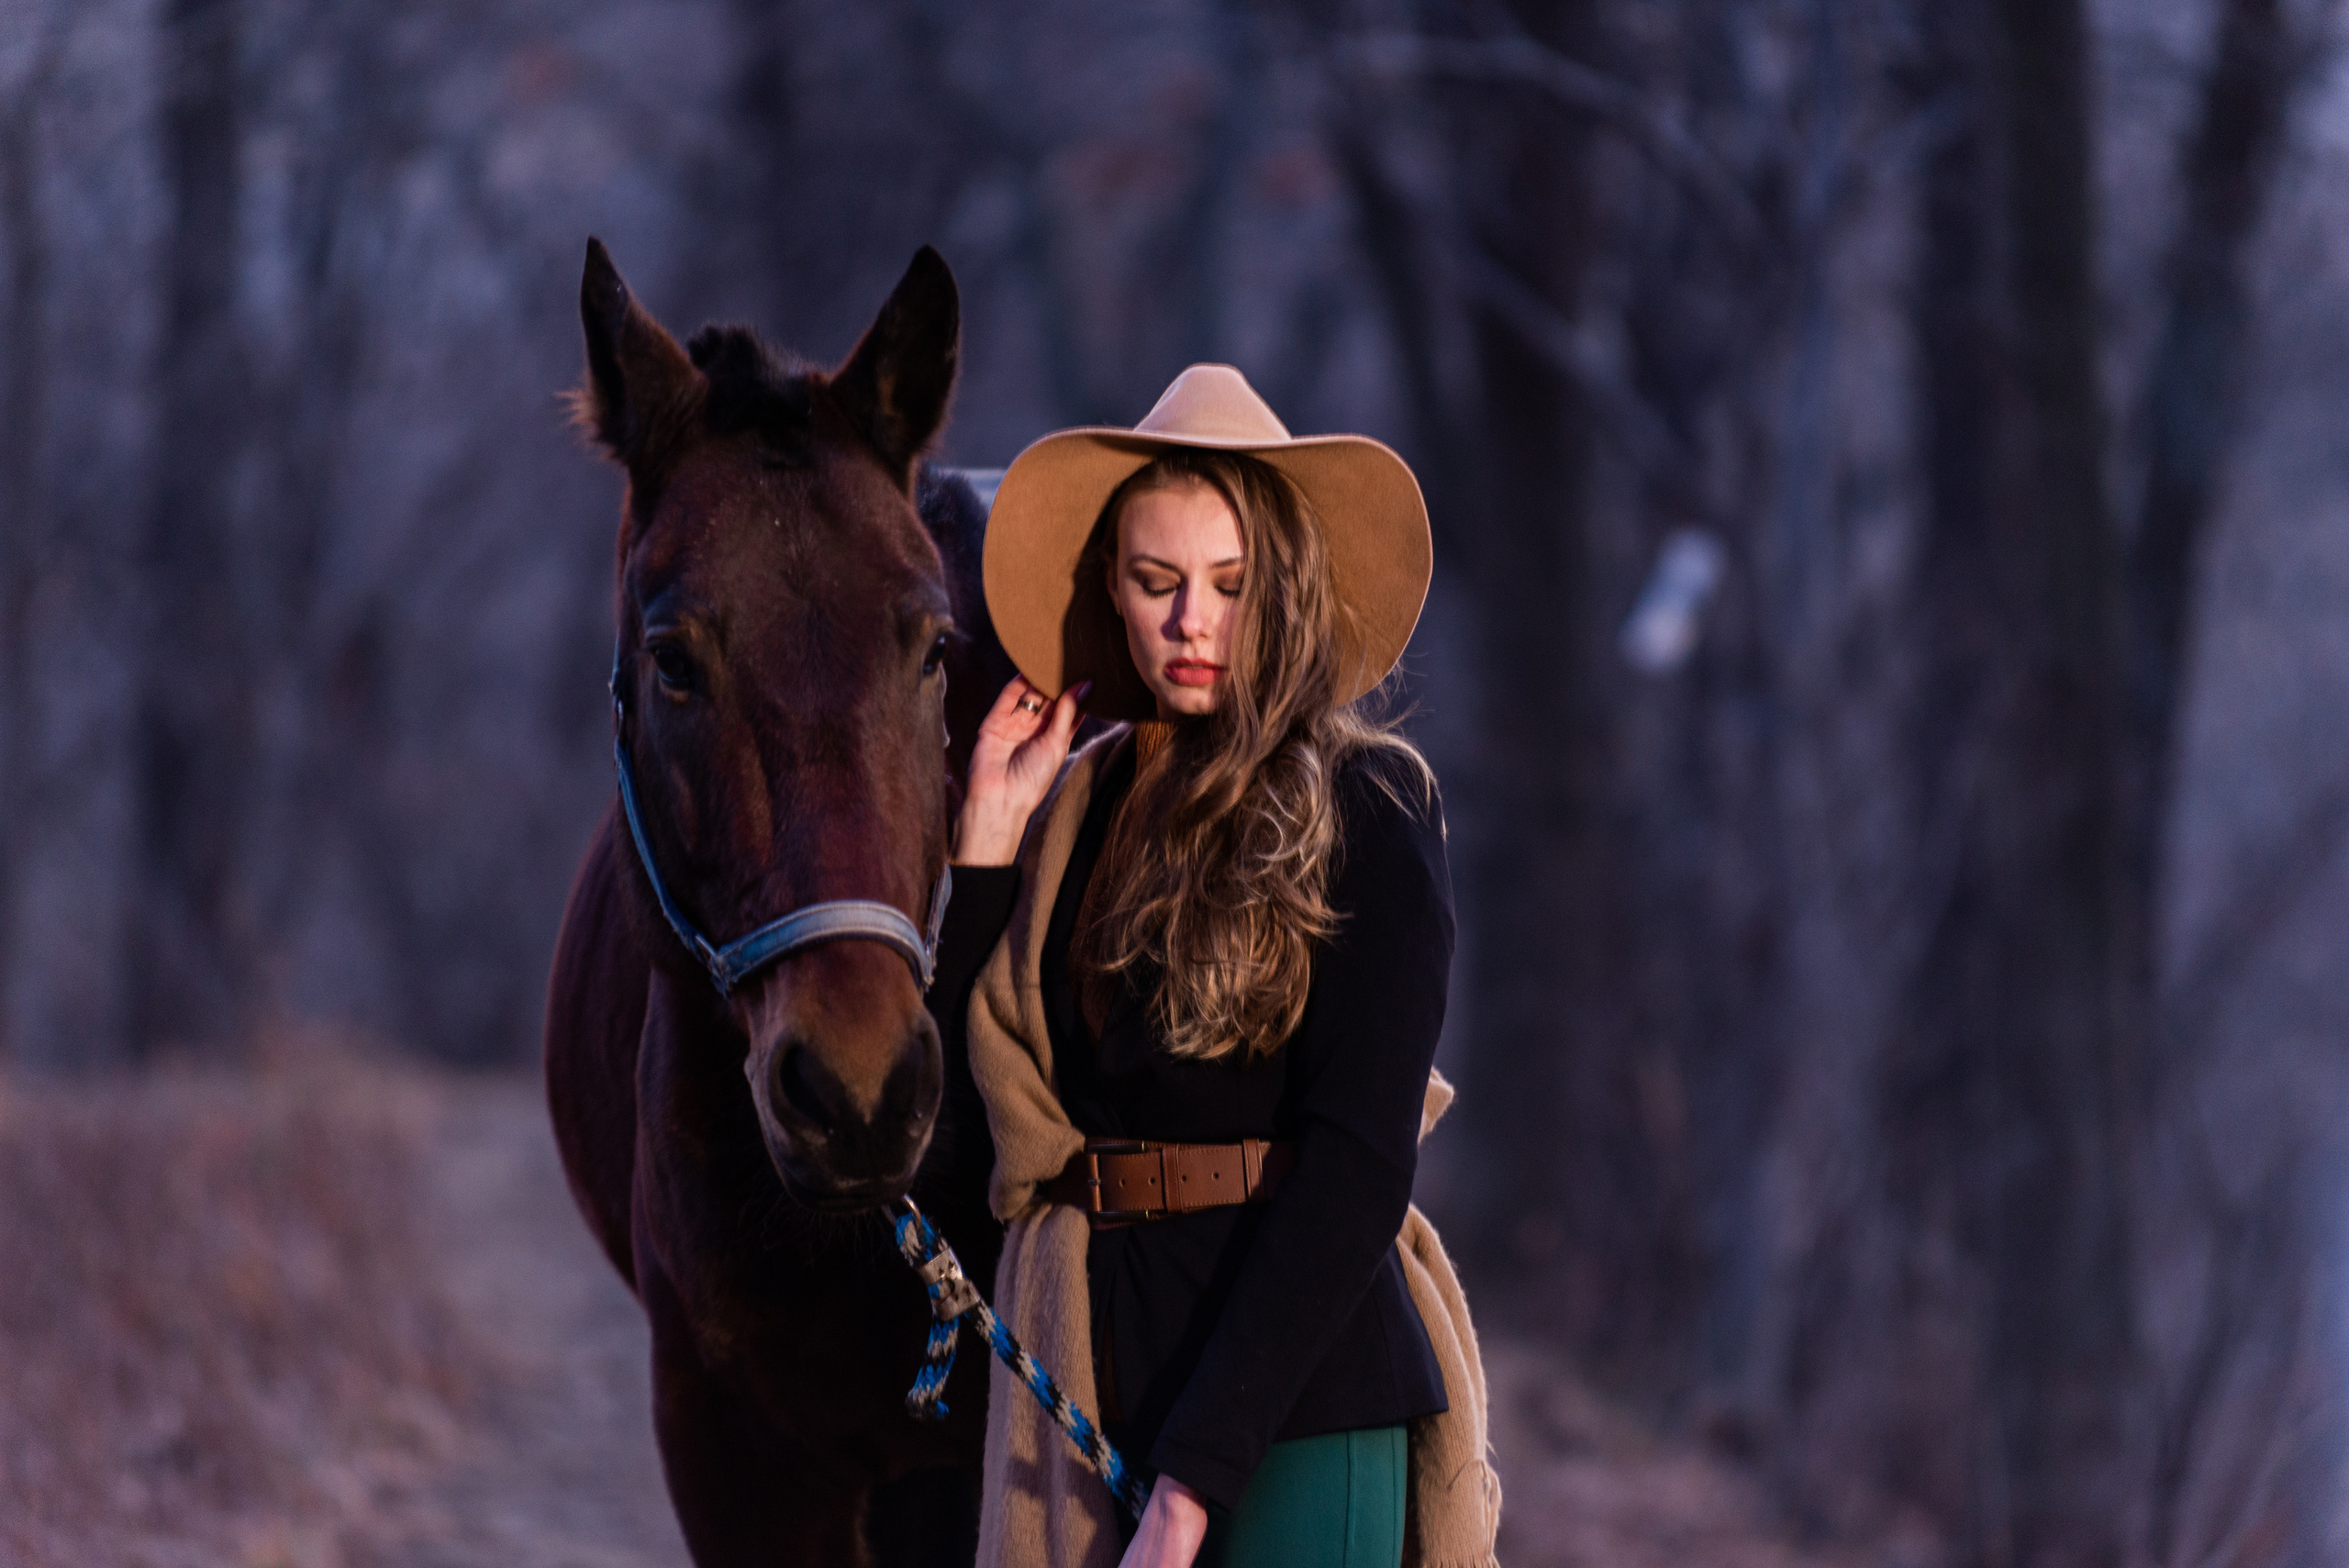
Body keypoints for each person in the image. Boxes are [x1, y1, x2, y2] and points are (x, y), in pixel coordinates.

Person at [924, 365, 1497, 1568]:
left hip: (1299, 1394)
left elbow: (1357, 1163)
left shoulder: (1371, 806)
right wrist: (983, 853)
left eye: (1230, 585)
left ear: (1281, 587)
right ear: (1114, 598)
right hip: (1094, 1379)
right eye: (1157, 581)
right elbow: (953, 1146)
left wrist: (1190, 1486)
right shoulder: (1075, 814)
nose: (1193, 622)